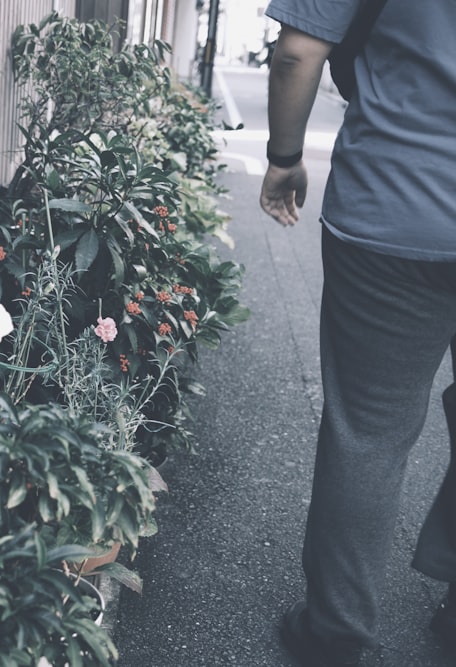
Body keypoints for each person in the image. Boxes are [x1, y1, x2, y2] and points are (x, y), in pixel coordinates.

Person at [259, 1, 456, 665]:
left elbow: (297, 52)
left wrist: (283, 158)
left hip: (397, 209)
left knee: (368, 433)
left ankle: (334, 633)